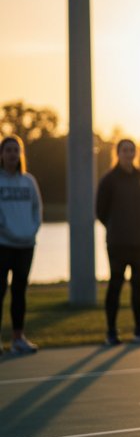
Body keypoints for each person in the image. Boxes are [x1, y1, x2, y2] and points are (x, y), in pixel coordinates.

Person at [96, 139, 140, 345]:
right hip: (118, 242)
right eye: (125, 150)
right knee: (115, 285)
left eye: (132, 150)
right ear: (118, 153)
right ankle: (111, 331)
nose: (128, 153)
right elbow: (101, 212)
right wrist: (117, 228)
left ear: (136, 153)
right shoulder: (109, 180)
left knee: (138, 285)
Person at [0, 135, 42, 355]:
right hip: (3, 244)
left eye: (16, 150)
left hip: (26, 245)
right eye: (8, 150)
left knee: (19, 292)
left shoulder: (28, 181)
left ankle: (18, 338)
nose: (12, 154)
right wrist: (9, 232)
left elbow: (37, 208)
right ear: (1, 154)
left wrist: (31, 231)